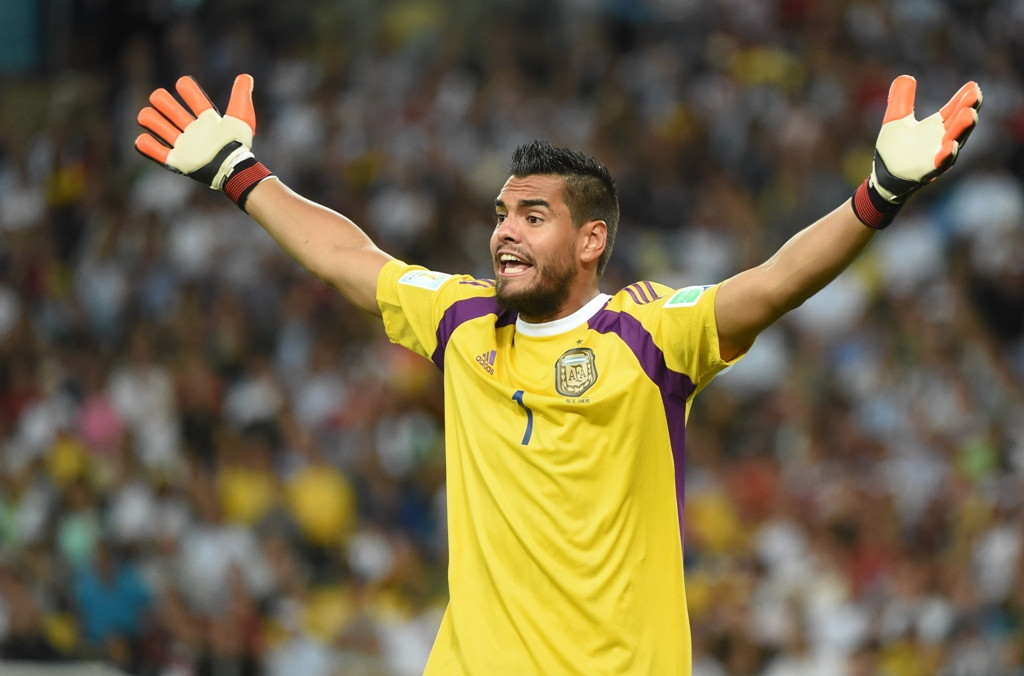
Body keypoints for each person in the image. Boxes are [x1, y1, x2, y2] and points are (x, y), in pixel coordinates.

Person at [134, 72, 981, 674]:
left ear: (590, 241)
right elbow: (347, 258)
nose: (505, 232)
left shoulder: (650, 334)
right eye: (501, 214)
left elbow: (773, 283)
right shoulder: (462, 321)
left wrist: (877, 195)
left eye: (532, 216)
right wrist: (240, 176)